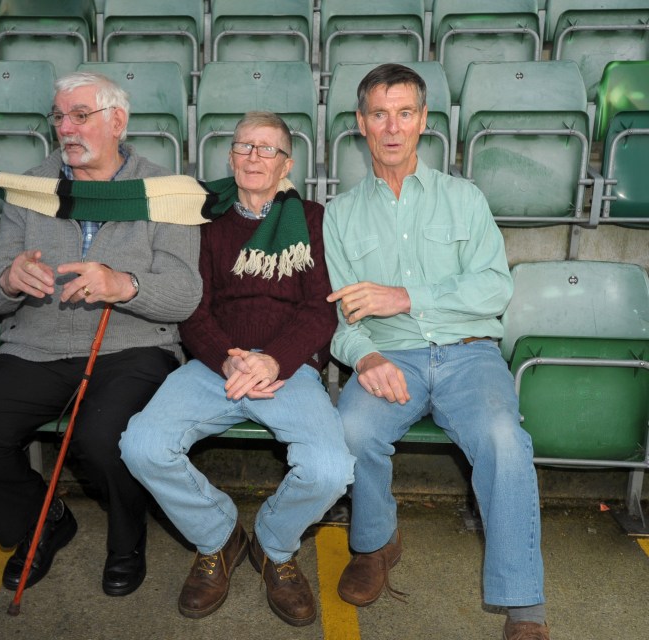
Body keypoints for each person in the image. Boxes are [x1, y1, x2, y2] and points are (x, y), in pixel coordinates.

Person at [0, 71, 202, 598]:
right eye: (59, 117)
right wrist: (10, 280)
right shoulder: (31, 188)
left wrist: (123, 284)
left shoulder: (167, 191)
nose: (66, 128)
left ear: (117, 121)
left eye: (81, 116)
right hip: (37, 345)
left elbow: (185, 294)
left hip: (134, 346)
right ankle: (40, 523)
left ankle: (127, 540)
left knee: (104, 440)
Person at [322, 64, 549, 639]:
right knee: (350, 429)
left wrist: (405, 297)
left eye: (404, 112)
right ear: (360, 124)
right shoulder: (342, 215)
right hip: (389, 356)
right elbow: (341, 318)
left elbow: (494, 289)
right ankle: (375, 544)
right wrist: (364, 358)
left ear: (424, 122)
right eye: (379, 113)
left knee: (505, 441)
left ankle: (523, 605)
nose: (392, 127)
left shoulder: (464, 199)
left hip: (470, 355)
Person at [120, 112, 355, 626]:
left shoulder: (314, 219)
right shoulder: (203, 218)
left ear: (287, 164)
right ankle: (219, 537)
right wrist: (227, 356)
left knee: (332, 470)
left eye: (267, 149)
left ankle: (274, 545)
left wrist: (274, 360)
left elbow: (321, 309)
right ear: (230, 157)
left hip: (287, 369)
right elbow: (192, 307)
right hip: (214, 364)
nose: (254, 157)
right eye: (244, 147)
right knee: (141, 445)